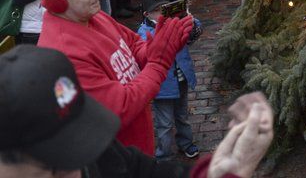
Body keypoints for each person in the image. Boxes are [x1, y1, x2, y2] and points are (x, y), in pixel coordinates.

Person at [0, 45, 274, 178]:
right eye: (51, 166)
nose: (75, 173)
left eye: (75, 148)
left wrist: (222, 171)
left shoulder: (95, 157)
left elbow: (149, 172)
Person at [37, 0, 193, 156]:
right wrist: (159, 62)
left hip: (136, 152)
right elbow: (121, 107)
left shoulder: (91, 15)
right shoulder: (63, 55)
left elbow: (133, 43)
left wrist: (156, 47)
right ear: (56, 1)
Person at [138, 0, 202, 160]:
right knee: (164, 124)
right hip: (162, 86)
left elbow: (193, 33)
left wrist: (188, 18)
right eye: (156, 10)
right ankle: (164, 155)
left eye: (164, 8)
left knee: (183, 116)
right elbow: (146, 52)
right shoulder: (144, 32)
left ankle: (186, 143)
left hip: (181, 80)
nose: (161, 13)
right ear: (147, 13)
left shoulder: (176, 22)